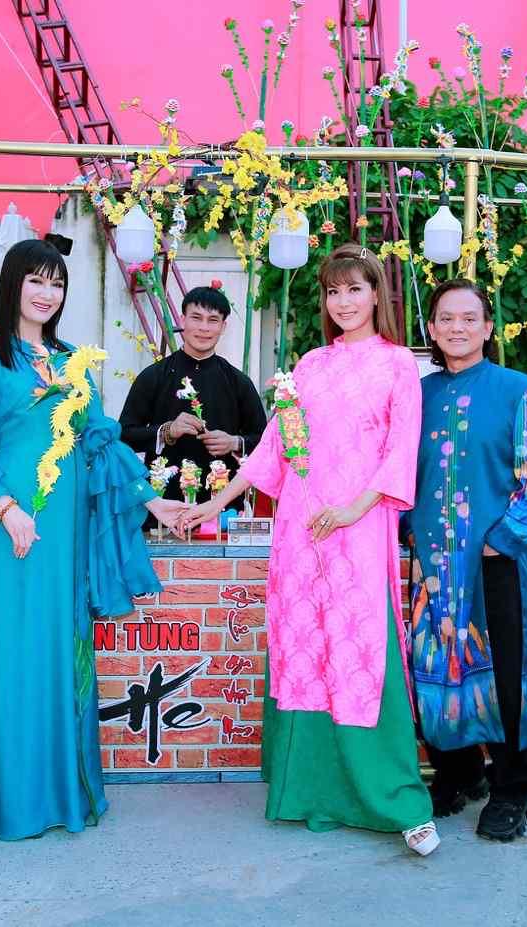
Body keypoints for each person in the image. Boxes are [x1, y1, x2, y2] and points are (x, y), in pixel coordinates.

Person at [180, 244, 439, 857]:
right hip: (300, 532)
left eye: (355, 289)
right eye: (333, 291)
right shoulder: (312, 366)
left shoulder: (398, 364)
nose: (343, 302)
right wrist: (215, 504)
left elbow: (401, 452)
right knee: (305, 646)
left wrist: (353, 509)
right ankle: (309, 792)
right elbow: (274, 446)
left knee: (361, 650)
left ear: (376, 295)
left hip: (359, 529)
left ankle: (396, 799)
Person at [0, 238, 185, 840]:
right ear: (13, 285)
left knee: (62, 647)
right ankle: (13, 801)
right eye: (36, 280)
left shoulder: (73, 359)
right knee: (15, 652)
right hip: (12, 529)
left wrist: (151, 499)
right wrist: (7, 510)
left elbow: (101, 439)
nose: (46, 293)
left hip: (66, 531)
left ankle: (64, 791)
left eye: (56, 283)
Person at [407, 279, 527, 843]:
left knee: (503, 673)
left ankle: (515, 786)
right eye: (446, 318)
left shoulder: (521, 391)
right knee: (436, 665)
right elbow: (398, 473)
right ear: (432, 327)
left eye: (469, 318)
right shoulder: (417, 395)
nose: (457, 328)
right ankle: (458, 772)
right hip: (432, 563)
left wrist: (503, 539)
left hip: (494, 558)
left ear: (488, 327)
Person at [119, 285, 266, 509]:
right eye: (196, 318)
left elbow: (266, 442)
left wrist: (235, 442)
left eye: (213, 320)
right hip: (164, 505)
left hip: (223, 505)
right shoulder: (154, 376)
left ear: (223, 327)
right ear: (182, 320)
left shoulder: (238, 382)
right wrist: (166, 431)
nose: (203, 328)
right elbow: (124, 435)